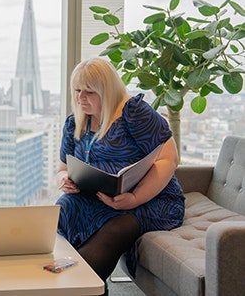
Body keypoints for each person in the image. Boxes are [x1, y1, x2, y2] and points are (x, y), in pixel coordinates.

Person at [55, 57, 185, 287]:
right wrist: (64, 180)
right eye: (77, 91)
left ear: (108, 91)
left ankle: (78, 287)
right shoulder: (74, 123)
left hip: (149, 200)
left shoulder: (133, 113)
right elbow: (63, 168)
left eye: (89, 92)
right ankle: (63, 283)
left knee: (117, 228)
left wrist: (135, 198)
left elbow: (169, 158)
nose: (80, 98)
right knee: (62, 209)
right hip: (96, 198)